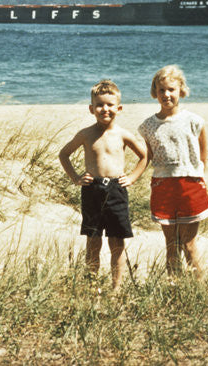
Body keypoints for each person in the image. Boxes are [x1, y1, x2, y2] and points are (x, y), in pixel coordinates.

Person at [59, 80, 148, 291]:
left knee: (117, 243)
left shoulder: (124, 134)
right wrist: (76, 178)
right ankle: (92, 285)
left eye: (110, 104)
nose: (104, 109)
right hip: (92, 190)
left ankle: (116, 288)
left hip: (117, 190)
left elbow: (144, 156)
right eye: (99, 105)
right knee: (93, 241)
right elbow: (64, 154)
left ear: (119, 108)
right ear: (91, 109)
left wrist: (133, 177)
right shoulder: (85, 134)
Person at [138, 64, 208, 278]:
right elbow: (146, 157)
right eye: (161, 90)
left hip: (190, 186)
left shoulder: (195, 121)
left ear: (181, 90)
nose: (166, 94)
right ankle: (174, 289)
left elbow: (203, 158)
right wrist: (130, 177)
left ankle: (199, 291)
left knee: (189, 246)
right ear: (155, 92)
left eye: (171, 89)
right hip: (163, 187)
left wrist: (200, 181)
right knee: (171, 246)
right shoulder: (148, 126)